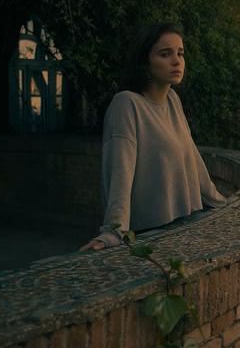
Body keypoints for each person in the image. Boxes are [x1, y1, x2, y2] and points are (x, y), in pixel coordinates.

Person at [78, 23, 226, 251]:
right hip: (150, 236)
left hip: (184, 226)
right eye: (165, 54)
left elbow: (193, 159)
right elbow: (120, 173)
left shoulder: (173, 100)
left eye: (180, 53)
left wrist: (222, 203)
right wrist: (113, 232)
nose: (176, 61)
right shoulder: (126, 104)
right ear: (144, 61)